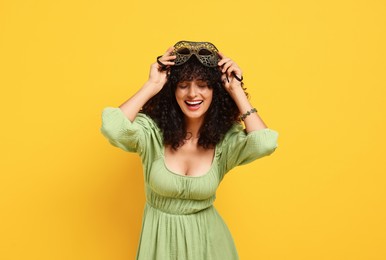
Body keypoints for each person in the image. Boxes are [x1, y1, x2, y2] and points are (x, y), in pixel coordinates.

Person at [100, 41, 279, 260]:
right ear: (172, 90)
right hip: (160, 248)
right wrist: (152, 84)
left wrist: (236, 90)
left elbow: (264, 143)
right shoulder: (152, 133)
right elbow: (113, 127)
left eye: (203, 84)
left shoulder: (225, 141)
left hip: (211, 247)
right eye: (183, 84)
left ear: (216, 91)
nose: (193, 93)